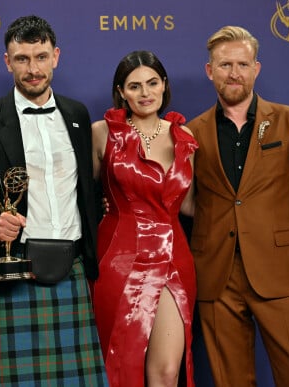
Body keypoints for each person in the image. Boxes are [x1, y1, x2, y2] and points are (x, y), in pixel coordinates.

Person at [0, 15, 108, 386]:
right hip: (12, 268)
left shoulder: (76, 114)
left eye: (40, 57)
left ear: (56, 56)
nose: (33, 68)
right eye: (22, 59)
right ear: (7, 62)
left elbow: (86, 184)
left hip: (71, 266)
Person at [187, 26, 289, 386]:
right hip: (217, 275)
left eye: (242, 64)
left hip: (280, 272)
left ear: (256, 69)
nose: (234, 73)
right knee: (230, 380)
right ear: (210, 71)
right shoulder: (193, 132)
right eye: (224, 65)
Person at [91, 50, 198, 386]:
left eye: (152, 83)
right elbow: (81, 195)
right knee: (122, 363)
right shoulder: (101, 133)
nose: (145, 93)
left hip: (174, 257)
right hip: (119, 258)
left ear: (164, 86)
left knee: (167, 371)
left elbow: (189, 206)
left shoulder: (187, 137)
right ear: (121, 91)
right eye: (134, 86)